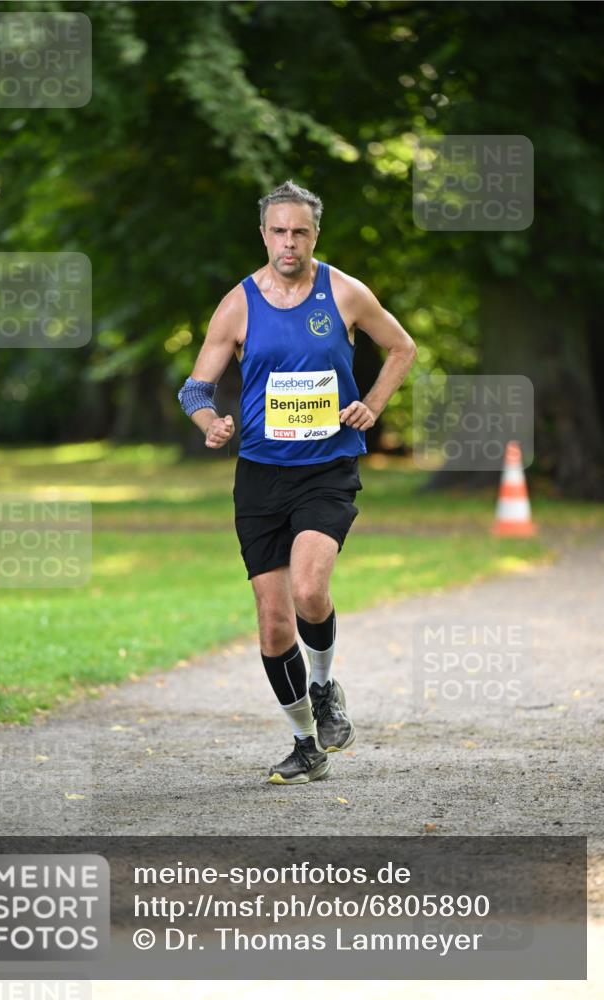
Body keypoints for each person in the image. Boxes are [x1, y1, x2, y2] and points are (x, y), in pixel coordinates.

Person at [178, 180, 416, 785]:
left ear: (315, 234)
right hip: (260, 476)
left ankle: (324, 685)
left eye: (300, 231)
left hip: (326, 469)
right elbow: (195, 389)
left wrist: (373, 404)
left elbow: (401, 348)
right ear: (264, 234)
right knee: (273, 623)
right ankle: (305, 742)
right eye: (279, 231)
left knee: (310, 590)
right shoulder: (237, 304)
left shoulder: (344, 292)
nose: (289, 242)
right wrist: (210, 423)